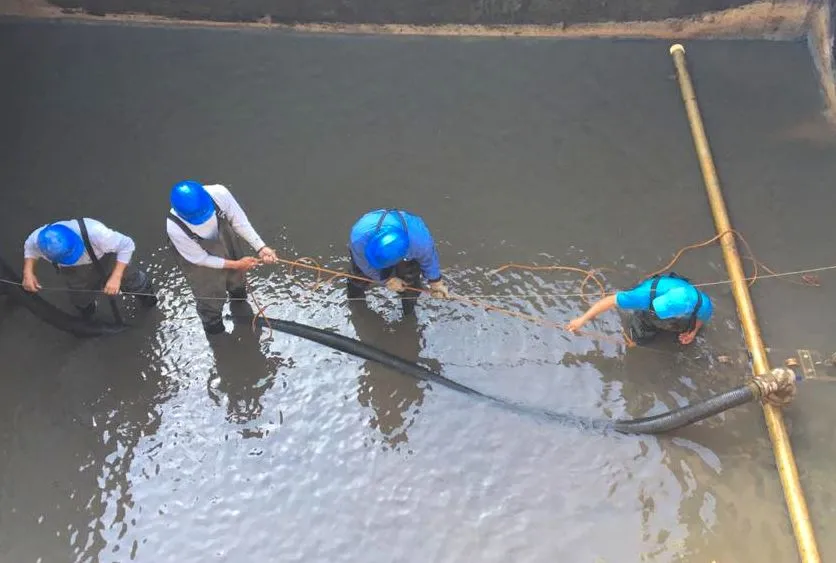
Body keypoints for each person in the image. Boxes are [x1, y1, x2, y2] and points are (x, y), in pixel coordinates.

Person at [166, 180, 278, 335]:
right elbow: (201, 259)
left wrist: (260, 247)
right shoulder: (174, 227)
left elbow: (240, 222)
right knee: (209, 296)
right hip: (198, 260)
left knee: (237, 281)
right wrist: (236, 264)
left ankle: (239, 302)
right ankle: (215, 331)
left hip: (225, 240)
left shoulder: (220, 194)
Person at [22, 218, 157, 318]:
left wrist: (116, 277)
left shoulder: (97, 233)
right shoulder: (39, 239)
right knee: (80, 299)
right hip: (74, 272)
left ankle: (150, 304)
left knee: (135, 282)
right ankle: (88, 316)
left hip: (106, 259)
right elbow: (30, 247)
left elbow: (127, 245)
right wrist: (28, 272)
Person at [347, 208, 449, 316]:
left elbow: (429, 260)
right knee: (357, 278)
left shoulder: (420, 242)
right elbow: (365, 265)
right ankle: (355, 304)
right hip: (368, 251)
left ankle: (409, 314)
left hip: (407, 247)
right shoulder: (359, 239)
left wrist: (435, 282)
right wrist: (387, 280)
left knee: (410, 285)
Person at [566, 272, 712, 345]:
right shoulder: (642, 296)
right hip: (649, 292)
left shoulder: (703, 304)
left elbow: (701, 318)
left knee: (685, 326)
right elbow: (610, 301)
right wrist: (582, 319)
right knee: (640, 335)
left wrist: (693, 332)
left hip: (684, 311)